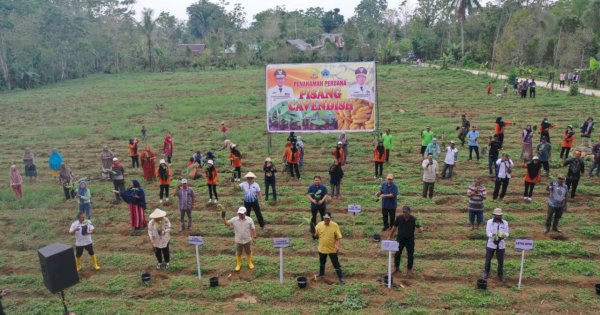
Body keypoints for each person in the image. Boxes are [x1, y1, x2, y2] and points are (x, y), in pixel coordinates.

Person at [388, 205, 423, 277]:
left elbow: (420, 228)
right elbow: (394, 228)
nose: (404, 213)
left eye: (406, 212)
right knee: (397, 254)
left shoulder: (414, 219)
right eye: (403, 212)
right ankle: (396, 267)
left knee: (410, 255)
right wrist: (390, 236)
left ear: (409, 212)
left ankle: (409, 269)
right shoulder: (399, 218)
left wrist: (420, 229)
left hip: (410, 240)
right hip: (400, 239)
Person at [314, 213, 345, 284]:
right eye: (325, 218)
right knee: (322, 262)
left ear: (330, 218)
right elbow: (316, 235)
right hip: (322, 248)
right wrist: (314, 234)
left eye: (328, 218)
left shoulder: (335, 225)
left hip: (332, 249)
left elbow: (338, 237)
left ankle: (341, 278)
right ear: (323, 218)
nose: (326, 220)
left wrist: (337, 245)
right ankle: (321, 273)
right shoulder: (319, 225)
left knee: (336, 263)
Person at [224, 206, 256, 271]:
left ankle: (249, 262)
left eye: (241, 214)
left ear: (245, 213)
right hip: (238, 240)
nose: (240, 215)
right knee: (239, 252)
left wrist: (254, 237)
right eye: (239, 214)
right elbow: (227, 223)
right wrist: (223, 217)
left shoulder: (249, 220)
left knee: (248, 251)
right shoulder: (234, 219)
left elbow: (253, 228)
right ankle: (238, 264)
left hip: (247, 240)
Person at [482, 208, 509, 282]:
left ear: (501, 215)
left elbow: (507, 233)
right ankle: (486, 272)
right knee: (488, 259)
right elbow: (488, 233)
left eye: (499, 215)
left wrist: (503, 235)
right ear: (494, 215)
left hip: (501, 244)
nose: (498, 216)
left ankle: (500, 274)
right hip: (491, 243)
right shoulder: (489, 222)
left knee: (500, 260)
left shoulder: (505, 223)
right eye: (497, 215)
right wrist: (493, 235)